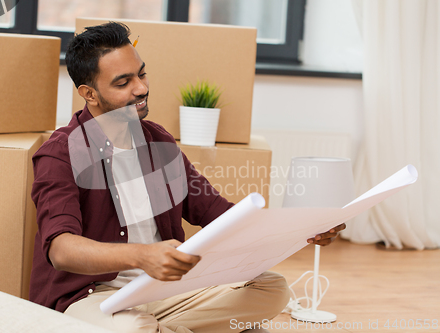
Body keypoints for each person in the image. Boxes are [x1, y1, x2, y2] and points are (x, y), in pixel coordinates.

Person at [29, 22, 345, 333]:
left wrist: (301, 229)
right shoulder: (61, 154)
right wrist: (142, 256)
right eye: (123, 82)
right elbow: (61, 250)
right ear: (90, 94)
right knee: (132, 328)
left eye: (141, 73)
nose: (140, 88)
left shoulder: (158, 142)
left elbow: (217, 212)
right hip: (92, 297)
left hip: (163, 291)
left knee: (272, 288)